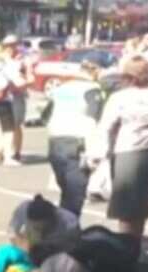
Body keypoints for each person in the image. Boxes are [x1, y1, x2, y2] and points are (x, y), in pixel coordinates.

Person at [96, 57, 148, 238]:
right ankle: (135, 242)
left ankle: (126, 245)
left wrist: (99, 153)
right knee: (140, 200)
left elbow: (106, 126)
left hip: (126, 150)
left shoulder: (120, 98)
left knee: (125, 204)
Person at [45, 61, 105, 217]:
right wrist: (94, 151)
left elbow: (45, 115)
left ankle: (63, 226)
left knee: (65, 188)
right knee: (75, 194)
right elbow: (93, 119)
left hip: (56, 139)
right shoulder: (92, 89)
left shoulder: (61, 88)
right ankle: (67, 230)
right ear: (95, 72)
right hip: (78, 141)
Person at [0, 35, 30, 165]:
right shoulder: (0, 59)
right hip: (3, 95)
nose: (10, 48)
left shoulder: (23, 59)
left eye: (13, 45)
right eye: (7, 45)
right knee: (2, 125)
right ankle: (1, 151)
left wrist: (23, 82)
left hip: (17, 95)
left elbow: (29, 77)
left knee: (16, 124)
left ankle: (17, 152)